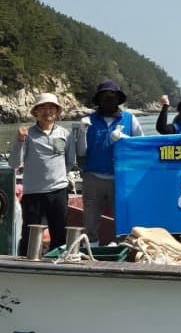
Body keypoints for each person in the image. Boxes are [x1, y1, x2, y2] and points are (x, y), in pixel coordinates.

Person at [77, 79, 144, 244]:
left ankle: (123, 250)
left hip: (120, 179)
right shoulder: (88, 121)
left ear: (118, 98)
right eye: (104, 95)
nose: (108, 99)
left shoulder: (130, 119)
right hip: (93, 178)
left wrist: (125, 138)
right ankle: (91, 249)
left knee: (123, 219)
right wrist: (81, 132)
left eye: (112, 95)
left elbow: (141, 147)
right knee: (90, 221)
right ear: (99, 99)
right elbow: (80, 152)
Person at [9, 93, 76, 255]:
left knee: (59, 234)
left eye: (51, 107)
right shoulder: (27, 134)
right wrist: (19, 141)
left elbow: (70, 161)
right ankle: (25, 267)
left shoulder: (65, 134)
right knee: (29, 235)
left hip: (58, 192)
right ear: (36, 112)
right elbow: (14, 164)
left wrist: (58, 177)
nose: (48, 111)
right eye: (43, 108)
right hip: (34, 193)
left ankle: (57, 267)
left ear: (57, 111)